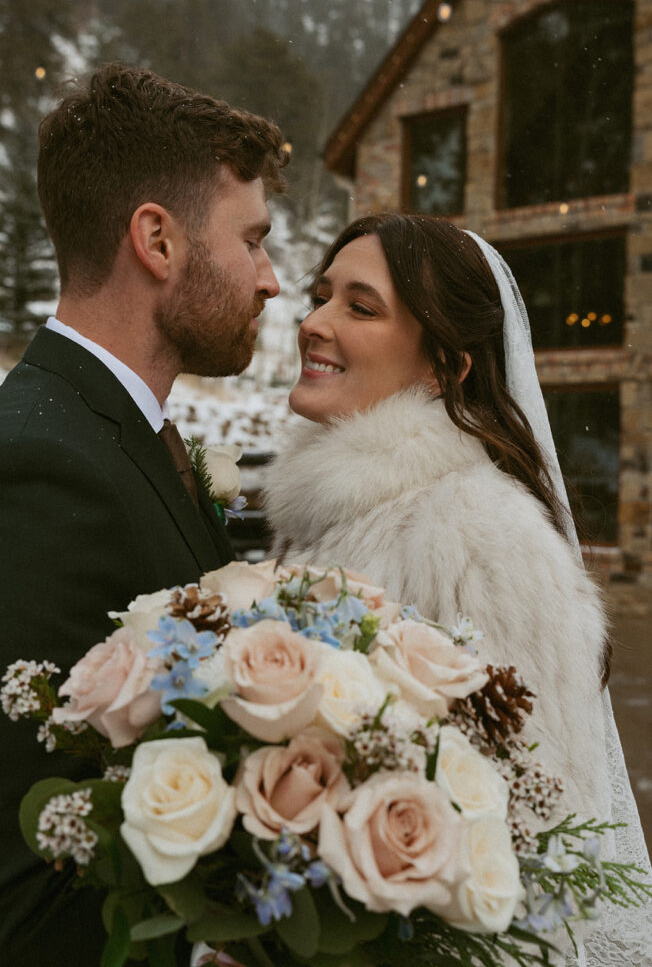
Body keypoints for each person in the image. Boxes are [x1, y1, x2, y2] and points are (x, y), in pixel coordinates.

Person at [0, 64, 288, 966]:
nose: (272, 280)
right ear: (157, 241)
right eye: (252, 241)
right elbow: (40, 893)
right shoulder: (30, 469)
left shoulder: (112, 432)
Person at [264, 212, 652, 965]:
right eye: (320, 296)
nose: (313, 322)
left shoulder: (481, 537)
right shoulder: (322, 516)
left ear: (443, 367)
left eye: (360, 307)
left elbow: (538, 839)